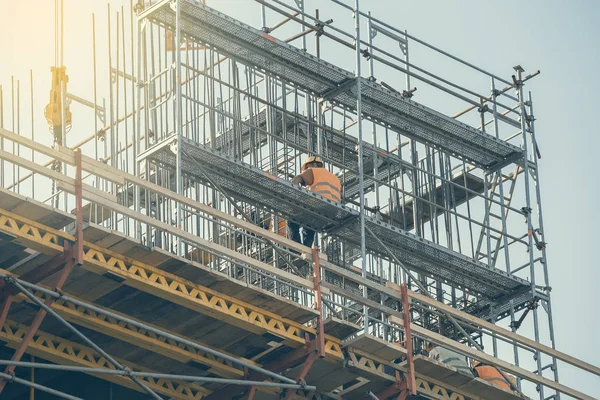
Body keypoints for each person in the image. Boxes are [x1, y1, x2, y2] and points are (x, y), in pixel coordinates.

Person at [288, 156, 341, 247]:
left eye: (307, 167)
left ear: (315, 164)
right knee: (310, 226)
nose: (306, 170)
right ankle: (306, 248)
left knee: (292, 221)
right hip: (333, 212)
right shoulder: (335, 179)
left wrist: (295, 198)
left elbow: (294, 181)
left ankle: (296, 250)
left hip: (319, 205)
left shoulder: (313, 171)